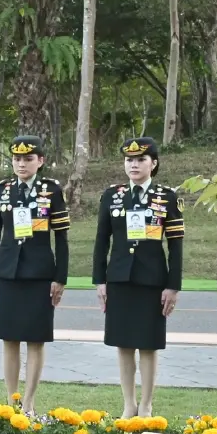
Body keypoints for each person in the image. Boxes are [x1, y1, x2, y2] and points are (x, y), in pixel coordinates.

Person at [92, 137, 184, 418]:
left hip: (152, 280)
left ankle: (146, 404)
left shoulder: (167, 197)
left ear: (153, 164)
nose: (134, 164)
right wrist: (100, 281)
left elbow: (176, 245)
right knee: (123, 343)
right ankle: (128, 404)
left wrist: (173, 285)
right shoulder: (112, 195)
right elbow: (101, 241)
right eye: (129, 159)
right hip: (119, 278)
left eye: (141, 159)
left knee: (148, 343)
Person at [0, 136, 70, 414]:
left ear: (40, 161)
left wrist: (61, 277)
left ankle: (29, 403)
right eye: (17, 159)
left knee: (35, 339)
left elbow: (62, 238)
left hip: (39, 273)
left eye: (28, 158)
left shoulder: (52, 190)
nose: (21, 164)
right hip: (8, 272)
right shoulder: (3, 189)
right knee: (9, 338)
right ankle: (12, 401)